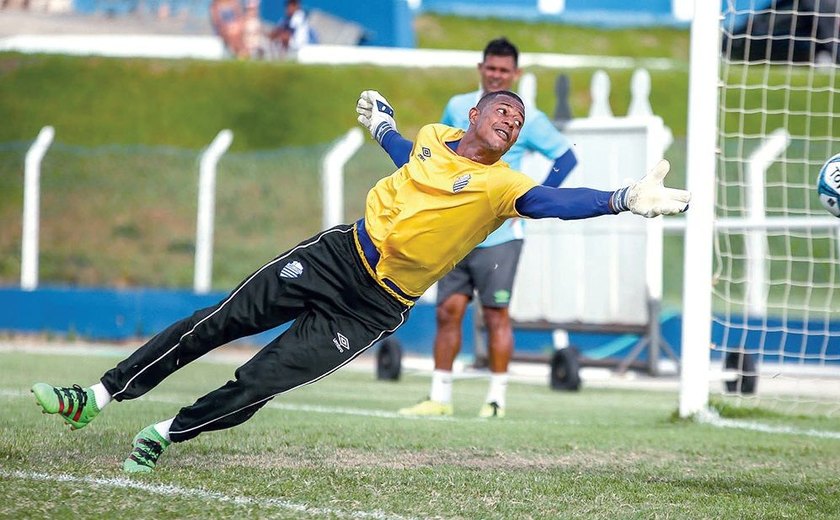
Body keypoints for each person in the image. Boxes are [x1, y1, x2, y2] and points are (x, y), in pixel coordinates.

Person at [31, 90, 689, 473]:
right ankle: (97, 395)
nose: (511, 120)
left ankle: (167, 432)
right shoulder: (435, 135)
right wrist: (383, 129)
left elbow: (551, 205)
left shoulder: (506, 186)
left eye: (518, 121)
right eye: (502, 110)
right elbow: (413, 159)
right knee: (216, 322)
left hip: (374, 306)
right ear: (475, 116)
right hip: (336, 254)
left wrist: (620, 197)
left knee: (262, 381)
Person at [375, 37, 578, 419]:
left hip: (500, 235)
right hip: (456, 235)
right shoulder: (457, 106)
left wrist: (539, 197)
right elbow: (441, 154)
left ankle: (496, 400)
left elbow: (566, 157)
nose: (497, 75)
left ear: (515, 74)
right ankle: (439, 397)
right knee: (448, 311)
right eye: (491, 68)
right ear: (481, 68)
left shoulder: (528, 118)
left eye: (504, 70)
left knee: (495, 314)